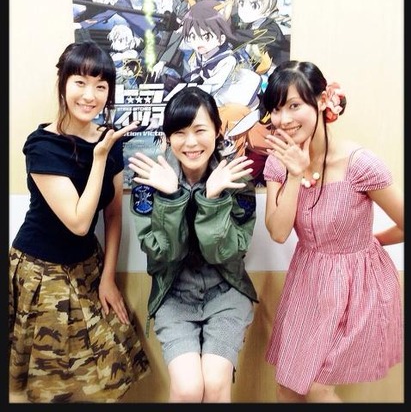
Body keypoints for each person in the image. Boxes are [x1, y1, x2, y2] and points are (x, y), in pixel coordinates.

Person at [9, 41, 150, 404]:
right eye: (80, 82)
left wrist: (108, 277)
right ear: (63, 84)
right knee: (47, 382)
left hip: (89, 266)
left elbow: (113, 213)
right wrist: (99, 158)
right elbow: (79, 222)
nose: (90, 96)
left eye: (101, 86)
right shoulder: (42, 145)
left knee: (108, 368)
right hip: (41, 270)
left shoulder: (109, 140)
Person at [261, 60, 403, 403]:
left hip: (357, 286)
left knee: (317, 388)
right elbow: (278, 232)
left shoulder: (360, 165)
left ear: (322, 100)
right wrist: (295, 174)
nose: (284, 119)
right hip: (307, 282)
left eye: (294, 105)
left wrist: (371, 243)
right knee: (288, 387)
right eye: (276, 109)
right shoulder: (279, 162)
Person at [128, 86, 258, 403]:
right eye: (179, 132)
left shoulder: (236, 178)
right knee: (187, 389)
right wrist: (172, 197)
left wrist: (213, 199)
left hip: (226, 291)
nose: (190, 142)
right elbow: (163, 255)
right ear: (168, 137)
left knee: (215, 385)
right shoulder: (149, 180)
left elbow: (228, 253)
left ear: (218, 130)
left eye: (200, 130)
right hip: (175, 294)